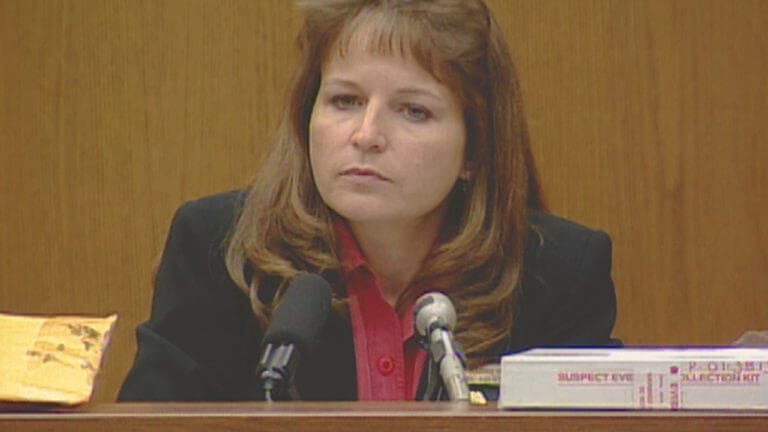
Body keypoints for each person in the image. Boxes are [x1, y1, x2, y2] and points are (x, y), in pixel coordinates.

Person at [118, 0, 618, 402]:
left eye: (413, 111)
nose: (366, 134)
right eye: (345, 101)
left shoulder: (557, 274)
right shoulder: (219, 252)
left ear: (475, 149)